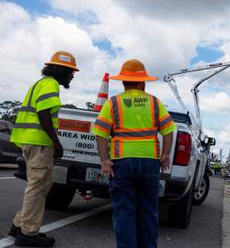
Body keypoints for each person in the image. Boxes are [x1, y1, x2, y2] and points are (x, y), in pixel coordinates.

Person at [93, 59, 176, 248]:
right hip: (150, 163)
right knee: (148, 211)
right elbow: (169, 131)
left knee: (124, 212)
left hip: (122, 162)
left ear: (124, 82)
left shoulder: (113, 102)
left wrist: (105, 160)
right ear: (141, 82)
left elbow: (100, 133)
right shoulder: (154, 102)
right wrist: (165, 155)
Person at [9, 51, 79, 247]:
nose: (72, 76)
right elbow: (43, 114)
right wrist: (56, 142)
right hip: (39, 142)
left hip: (32, 141)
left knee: (42, 185)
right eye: (71, 72)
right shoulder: (50, 84)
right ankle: (28, 234)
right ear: (61, 70)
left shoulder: (40, 84)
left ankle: (19, 225)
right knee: (38, 186)